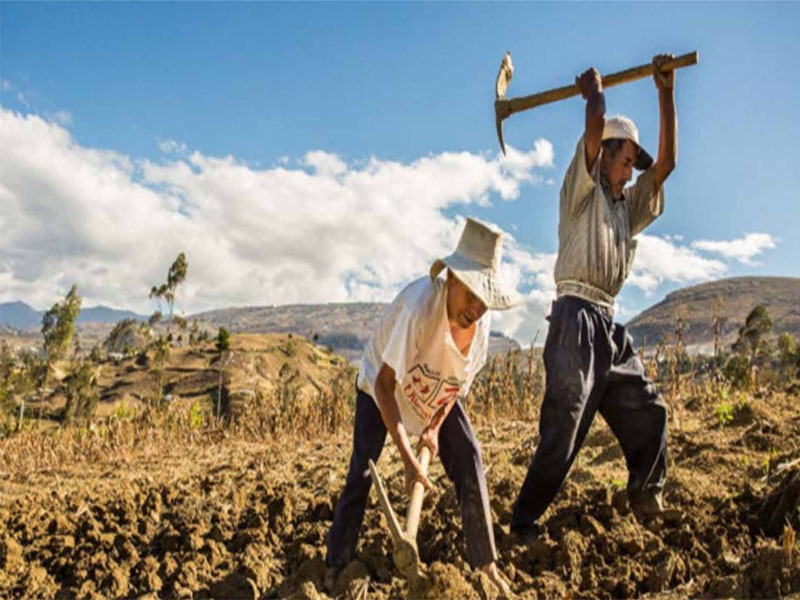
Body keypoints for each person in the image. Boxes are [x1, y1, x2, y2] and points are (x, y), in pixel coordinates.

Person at [511, 54, 678, 537]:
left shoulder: (627, 208)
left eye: (631, 165)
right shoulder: (580, 191)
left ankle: (647, 496)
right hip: (574, 320)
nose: (630, 173)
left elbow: (665, 165)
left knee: (649, 412)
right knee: (564, 428)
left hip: (607, 325)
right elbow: (595, 125)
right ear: (604, 155)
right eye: (625, 161)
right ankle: (524, 520)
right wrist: (595, 94)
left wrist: (664, 92)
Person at [326, 218, 519, 593]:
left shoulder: (480, 331)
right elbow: (384, 387)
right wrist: (406, 458)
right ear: (454, 280)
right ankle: (337, 563)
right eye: (471, 294)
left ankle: (487, 564)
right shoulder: (419, 309)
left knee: (469, 455)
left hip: (432, 394)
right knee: (362, 472)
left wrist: (431, 430)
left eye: (485, 299)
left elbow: (454, 390)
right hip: (381, 386)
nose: (476, 308)